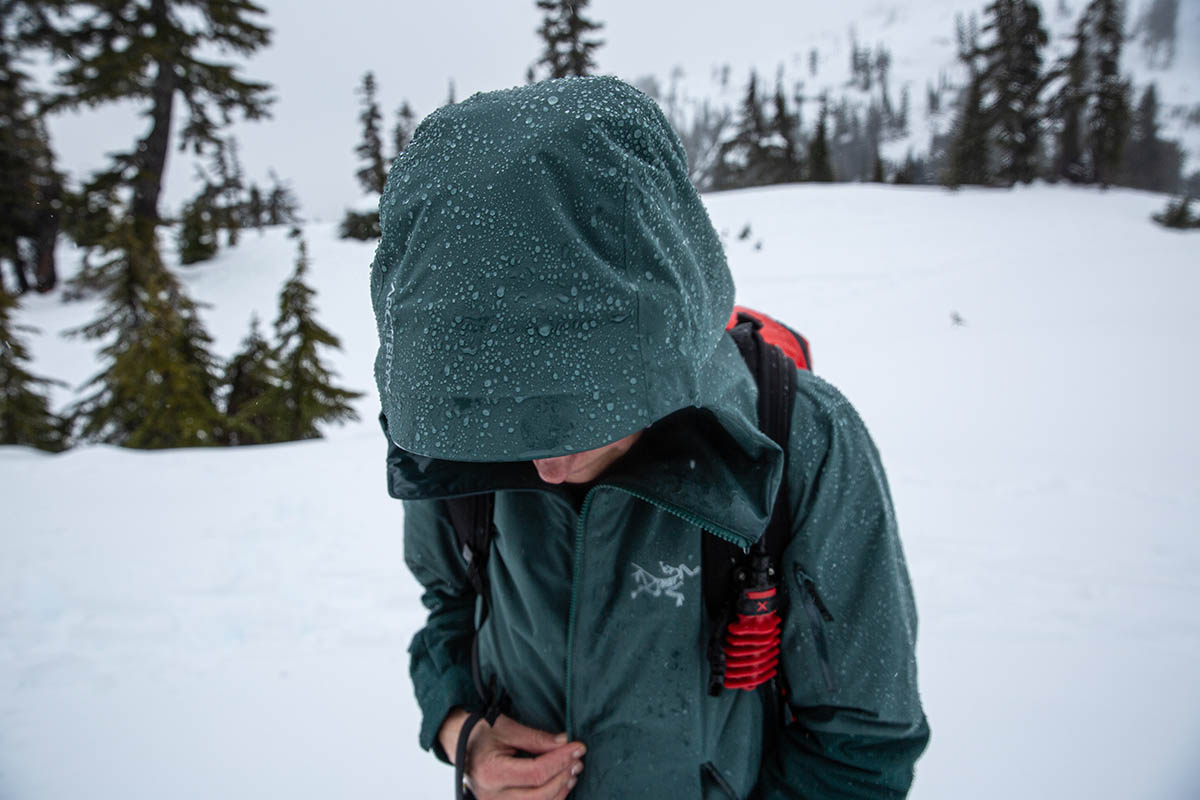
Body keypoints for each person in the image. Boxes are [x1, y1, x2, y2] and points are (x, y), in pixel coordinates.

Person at [371, 76, 929, 799]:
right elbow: (449, 609)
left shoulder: (804, 441)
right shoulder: (461, 430)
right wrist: (465, 735)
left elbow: (860, 744)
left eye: (581, 416)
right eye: (512, 424)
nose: (547, 464)